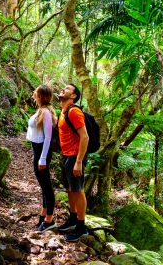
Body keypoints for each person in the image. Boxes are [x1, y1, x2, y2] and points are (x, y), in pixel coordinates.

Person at [57, 83, 89, 242]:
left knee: (78, 189)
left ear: (74, 96)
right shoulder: (63, 111)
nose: (63, 89)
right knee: (70, 189)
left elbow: (85, 137)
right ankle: (73, 218)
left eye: (67, 89)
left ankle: (81, 227)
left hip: (75, 157)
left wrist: (79, 162)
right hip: (66, 156)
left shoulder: (74, 111)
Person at [26, 85, 57, 232]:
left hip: (41, 152)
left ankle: (49, 220)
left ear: (42, 96)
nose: (34, 95)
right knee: (43, 185)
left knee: (46, 186)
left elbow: (48, 137)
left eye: (36, 94)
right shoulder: (41, 110)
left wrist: (42, 158)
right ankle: (44, 214)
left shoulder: (45, 113)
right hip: (37, 150)